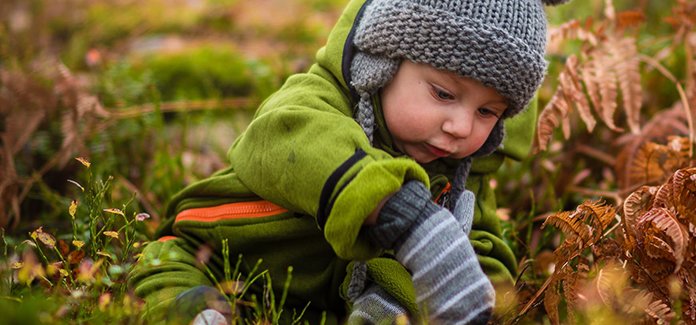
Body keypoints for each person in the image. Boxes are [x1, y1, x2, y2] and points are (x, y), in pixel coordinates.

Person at [129, 0, 567, 323]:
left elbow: (481, 248)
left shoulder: (462, 168)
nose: (461, 127)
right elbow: (283, 139)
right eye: (443, 94)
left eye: (487, 111)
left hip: (314, 304)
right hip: (215, 251)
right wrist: (404, 215)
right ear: (382, 64)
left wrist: (453, 296)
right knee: (170, 277)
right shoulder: (320, 99)